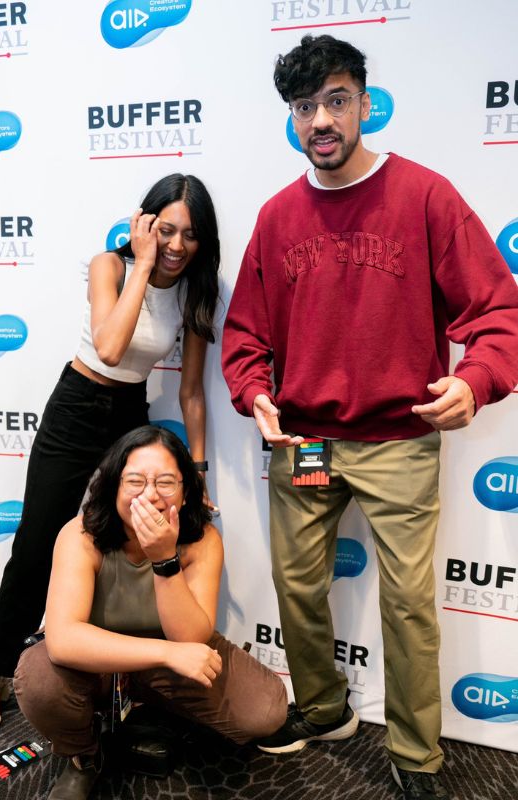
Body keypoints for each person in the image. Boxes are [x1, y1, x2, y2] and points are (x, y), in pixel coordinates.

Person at [221, 34, 518, 800]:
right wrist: (254, 389)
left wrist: (477, 380)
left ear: (362, 103)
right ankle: (324, 710)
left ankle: (417, 758)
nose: (321, 119)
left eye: (335, 100)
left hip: (398, 442)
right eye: (305, 106)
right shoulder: (278, 217)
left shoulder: (424, 196)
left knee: (410, 606)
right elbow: (245, 332)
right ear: (292, 116)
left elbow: (498, 312)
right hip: (306, 440)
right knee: (296, 586)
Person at [0, 173, 221, 739]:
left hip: (129, 413)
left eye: (190, 235)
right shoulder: (110, 266)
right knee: (36, 544)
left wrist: (199, 470)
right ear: (145, 224)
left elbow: (191, 392)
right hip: (77, 405)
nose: (177, 245)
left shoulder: (194, 292)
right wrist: (142, 263)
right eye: (167, 230)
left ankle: (116, 670)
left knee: (124, 540)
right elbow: (109, 347)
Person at [13, 425, 288, 799]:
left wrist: (164, 559)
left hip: (171, 656)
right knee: (39, 681)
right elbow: (63, 641)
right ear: (114, 487)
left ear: (186, 492)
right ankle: (84, 757)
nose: (150, 494)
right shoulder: (81, 535)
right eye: (135, 481)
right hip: (101, 660)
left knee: (266, 710)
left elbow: (191, 638)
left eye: (165, 482)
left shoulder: (203, 539)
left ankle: (150, 709)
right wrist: (166, 653)